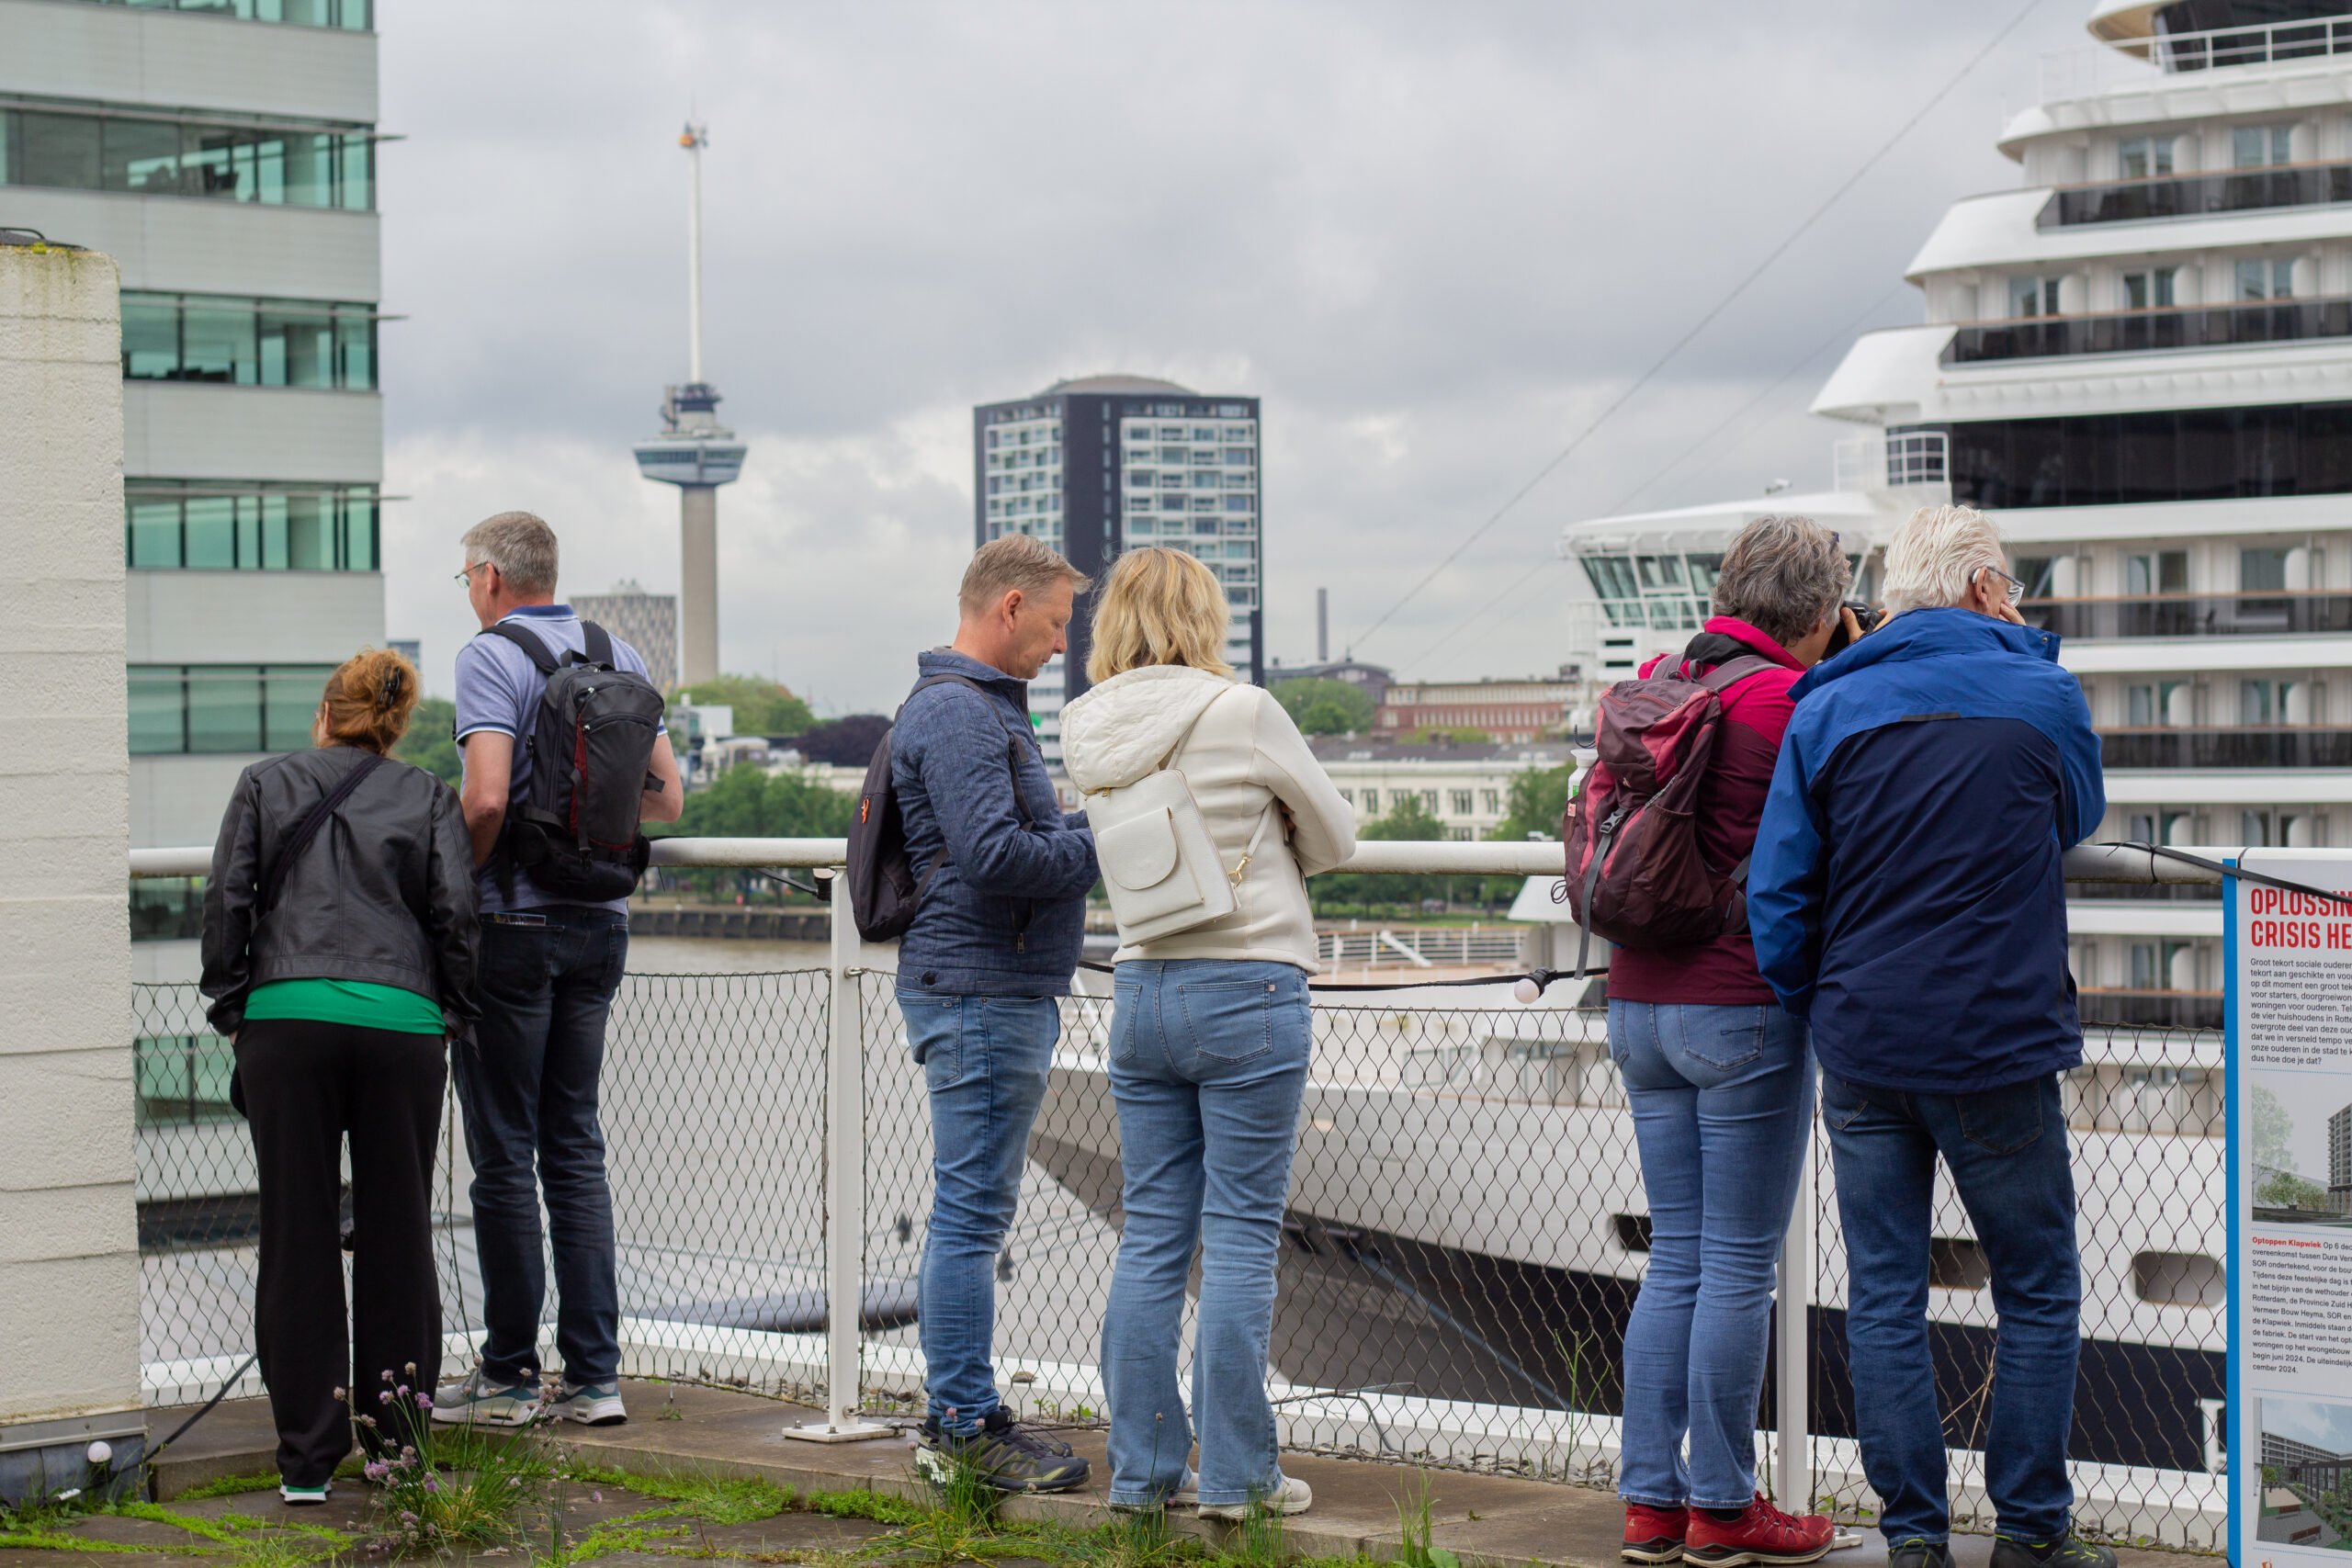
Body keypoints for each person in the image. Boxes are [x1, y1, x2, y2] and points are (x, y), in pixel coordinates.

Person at [1748, 504, 2109, 1568]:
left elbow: (1778, 894)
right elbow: (2076, 814)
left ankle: (1913, 1539)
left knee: (1886, 1296)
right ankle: (2033, 1536)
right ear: (1985, 588)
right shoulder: (2042, 694)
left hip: (1863, 1045)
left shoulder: (1827, 706)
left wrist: (1824, 1002)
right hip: (1998, 1044)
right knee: (2035, 1287)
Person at [1059, 547, 1357, 1519]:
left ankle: (1143, 1478)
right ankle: (1238, 1479)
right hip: (1248, 983)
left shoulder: (1083, 725)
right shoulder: (1242, 710)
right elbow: (1336, 838)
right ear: (1203, 615)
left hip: (1141, 988)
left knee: (1150, 1238)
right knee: (1237, 1240)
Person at [1608, 517, 1851, 1566]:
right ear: (1813, 611)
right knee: (1738, 1266)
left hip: (1636, 1003)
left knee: (1678, 1262)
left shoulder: (1664, 677)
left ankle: (1650, 1506)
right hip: (1740, 1007)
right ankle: (1721, 1507)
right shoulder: (1786, 698)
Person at [199, 648, 479, 1506]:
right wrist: (451, 1014)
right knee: (399, 1232)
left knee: (298, 1232)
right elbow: (456, 917)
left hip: (287, 1023)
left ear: (325, 714)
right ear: (395, 724)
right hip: (401, 1027)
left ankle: (307, 1460)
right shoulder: (429, 793)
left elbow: (227, 903)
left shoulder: (263, 781)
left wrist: (233, 1007)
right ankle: (398, 1447)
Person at [433, 512, 684, 1428]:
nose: (466, 589)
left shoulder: (487, 655)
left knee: (504, 1153)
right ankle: (595, 1379)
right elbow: (670, 793)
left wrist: (450, 884)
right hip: (601, 923)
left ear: (493, 578)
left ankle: (505, 1376)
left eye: (465, 574)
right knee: (574, 1146)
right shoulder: (619, 651)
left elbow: (487, 793)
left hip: (513, 923)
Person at [894, 533, 1102, 1491]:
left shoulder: (970, 711)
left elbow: (1000, 843)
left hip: (983, 984)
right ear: (1009, 605)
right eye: (1056, 623)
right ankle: (965, 1424)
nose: (1062, 644)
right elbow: (997, 857)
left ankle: (961, 1414)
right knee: (972, 1218)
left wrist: (1063, 831)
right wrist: (1106, 838)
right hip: (979, 987)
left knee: (966, 1215)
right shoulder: (965, 717)